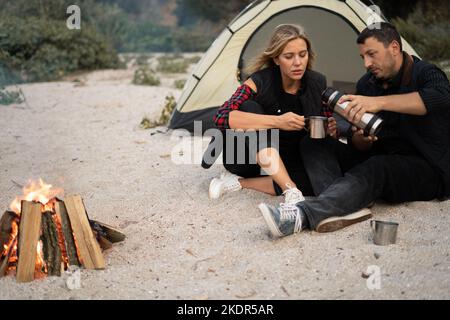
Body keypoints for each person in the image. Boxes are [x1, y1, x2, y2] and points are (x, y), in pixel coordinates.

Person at [259, 22, 450, 238]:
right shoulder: (368, 83)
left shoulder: (426, 73)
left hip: (426, 169)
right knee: (313, 142)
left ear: (394, 48)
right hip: (379, 156)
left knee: (378, 167)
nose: (367, 63)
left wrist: (379, 103)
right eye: (363, 57)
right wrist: (360, 138)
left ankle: (302, 215)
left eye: (372, 54)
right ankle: (342, 204)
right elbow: (356, 142)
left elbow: (440, 99)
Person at [207, 24, 337, 205]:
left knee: (317, 179)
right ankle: (290, 190)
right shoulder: (259, 80)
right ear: (276, 59)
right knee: (249, 106)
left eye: (302, 54)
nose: (298, 62)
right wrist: (278, 121)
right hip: (244, 157)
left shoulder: (317, 82)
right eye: (289, 56)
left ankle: (238, 183)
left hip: (284, 160)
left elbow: (326, 120)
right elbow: (221, 117)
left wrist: (330, 130)